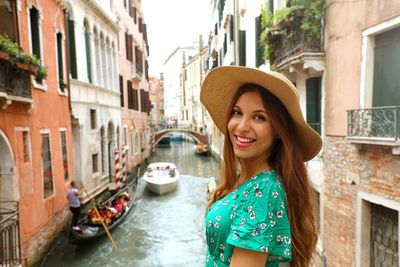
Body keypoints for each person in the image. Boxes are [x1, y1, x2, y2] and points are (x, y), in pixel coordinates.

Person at [200, 66, 322, 267]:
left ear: (278, 131)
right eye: (237, 112)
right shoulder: (245, 181)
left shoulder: (263, 190)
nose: (241, 126)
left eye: (259, 117)